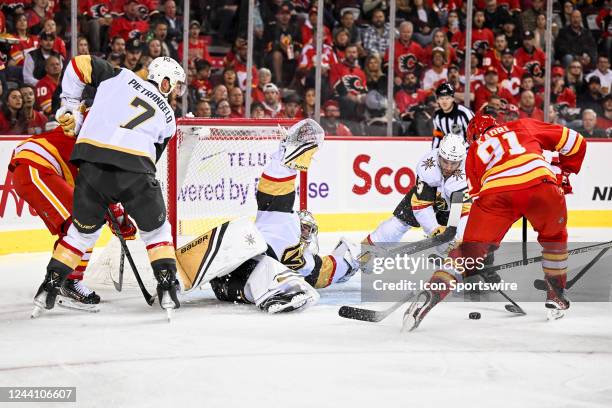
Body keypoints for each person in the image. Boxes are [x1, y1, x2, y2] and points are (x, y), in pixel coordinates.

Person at [31, 55, 186, 319]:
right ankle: (168, 287)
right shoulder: (169, 115)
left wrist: (69, 106)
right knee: (157, 231)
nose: (176, 91)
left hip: (91, 166)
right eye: (176, 84)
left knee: (80, 235)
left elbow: (80, 63)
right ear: (166, 80)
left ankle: (49, 286)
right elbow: (152, 159)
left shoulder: (120, 76)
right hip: (135, 170)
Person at [404, 114, 587, 331]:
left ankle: (433, 292)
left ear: (472, 137)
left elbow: (477, 195)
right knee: (554, 238)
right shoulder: (522, 125)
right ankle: (556, 293)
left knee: (468, 252)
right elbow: (577, 142)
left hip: (496, 194)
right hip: (540, 185)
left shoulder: (473, 151)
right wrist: (563, 171)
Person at [8, 124, 135, 312]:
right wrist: (119, 219)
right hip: (36, 168)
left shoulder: (98, 130)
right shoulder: (103, 140)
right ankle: (67, 282)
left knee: (79, 224)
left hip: (34, 168)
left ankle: (62, 280)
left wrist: (117, 218)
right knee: (85, 223)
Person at [364, 133, 471, 252]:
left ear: (461, 161)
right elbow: (421, 206)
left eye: (454, 163)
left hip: (455, 202)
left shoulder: (468, 171)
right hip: (432, 194)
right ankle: (366, 250)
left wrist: (458, 239)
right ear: (439, 155)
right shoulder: (428, 166)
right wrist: (434, 230)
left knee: (462, 240)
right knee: (399, 223)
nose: (449, 168)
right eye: (445, 161)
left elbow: (466, 213)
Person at [432, 82, 474, 147]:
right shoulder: (437, 116)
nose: (444, 102)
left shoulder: (464, 113)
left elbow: (475, 135)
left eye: (447, 98)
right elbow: (438, 137)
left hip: (468, 152)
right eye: (441, 98)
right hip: (450, 153)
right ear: (437, 100)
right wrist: (433, 152)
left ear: (453, 99)